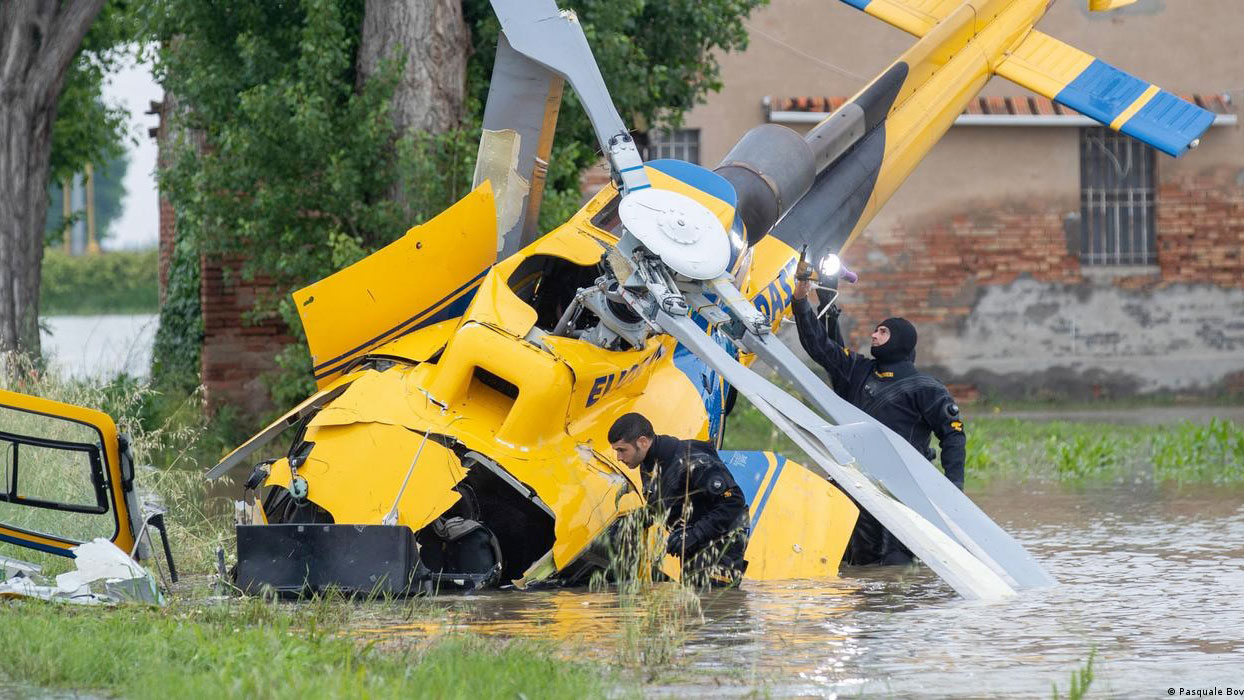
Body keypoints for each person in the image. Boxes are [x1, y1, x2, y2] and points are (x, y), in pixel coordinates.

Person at [791, 277, 966, 566]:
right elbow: (819, 346)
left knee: (894, 569)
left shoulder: (927, 387)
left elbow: (953, 436)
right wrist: (800, 302)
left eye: (882, 332)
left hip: (902, 495)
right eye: (875, 330)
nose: (874, 335)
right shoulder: (856, 369)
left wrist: (953, 489)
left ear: (899, 340)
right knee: (850, 563)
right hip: (855, 485)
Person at [608, 412, 749, 585]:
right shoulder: (648, 463)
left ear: (643, 442)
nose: (619, 458)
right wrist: (631, 523)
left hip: (721, 547)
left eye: (622, 450)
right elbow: (663, 505)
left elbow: (734, 502)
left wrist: (694, 534)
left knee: (712, 605)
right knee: (691, 606)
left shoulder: (692, 460)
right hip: (693, 549)